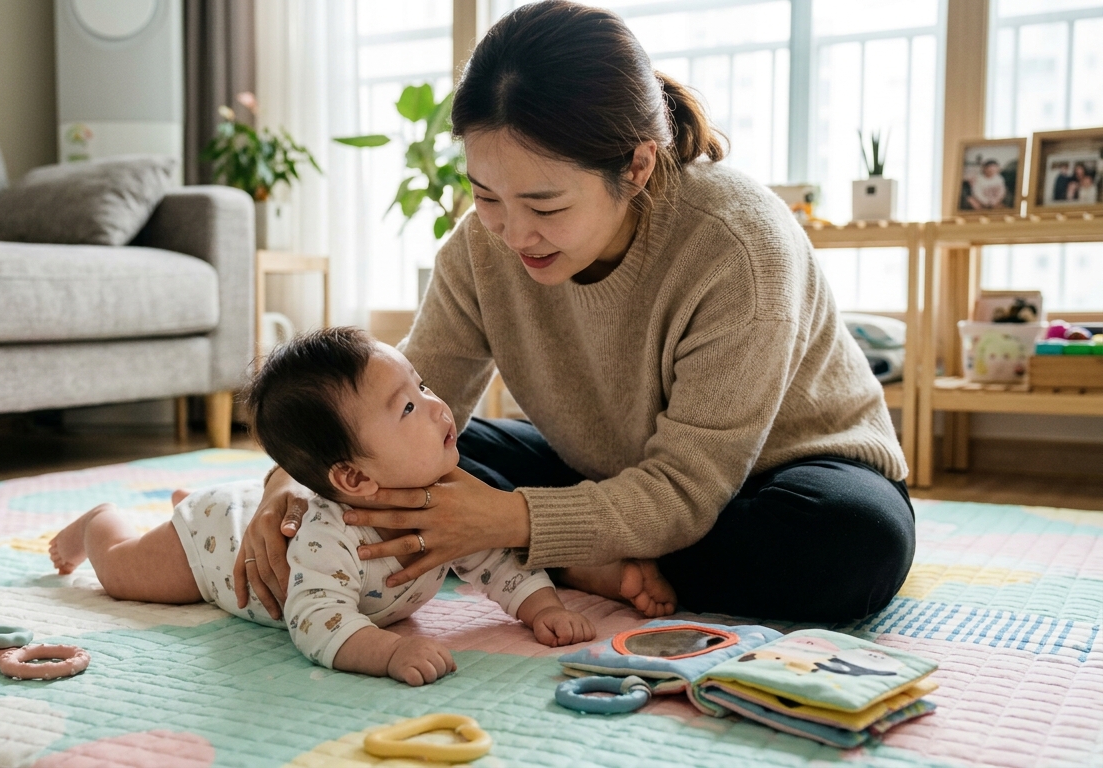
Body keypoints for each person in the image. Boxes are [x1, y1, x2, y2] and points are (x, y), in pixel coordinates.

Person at [236, 0, 914, 626]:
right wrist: (290, 491)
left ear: (639, 164)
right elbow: (398, 399)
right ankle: (580, 551)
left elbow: (686, 487)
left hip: (775, 479)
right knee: (389, 448)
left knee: (853, 543)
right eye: (486, 194)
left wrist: (510, 520)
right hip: (604, 476)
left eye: (546, 205)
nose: (511, 231)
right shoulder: (480, 246)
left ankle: (554, 553)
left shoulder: (736, 243)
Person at [49, 327, 595, 687]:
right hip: (212, 548)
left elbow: (495, 561)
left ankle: (189, 501)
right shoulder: (329, 534)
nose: (436, 406)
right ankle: (97, 522)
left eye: (422, 386)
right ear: (353, 477)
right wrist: (388, 654)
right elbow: (314, 620)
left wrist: (541, 609)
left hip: (246, 506)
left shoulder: (448, 495)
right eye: (409, 406)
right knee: (126, 573)